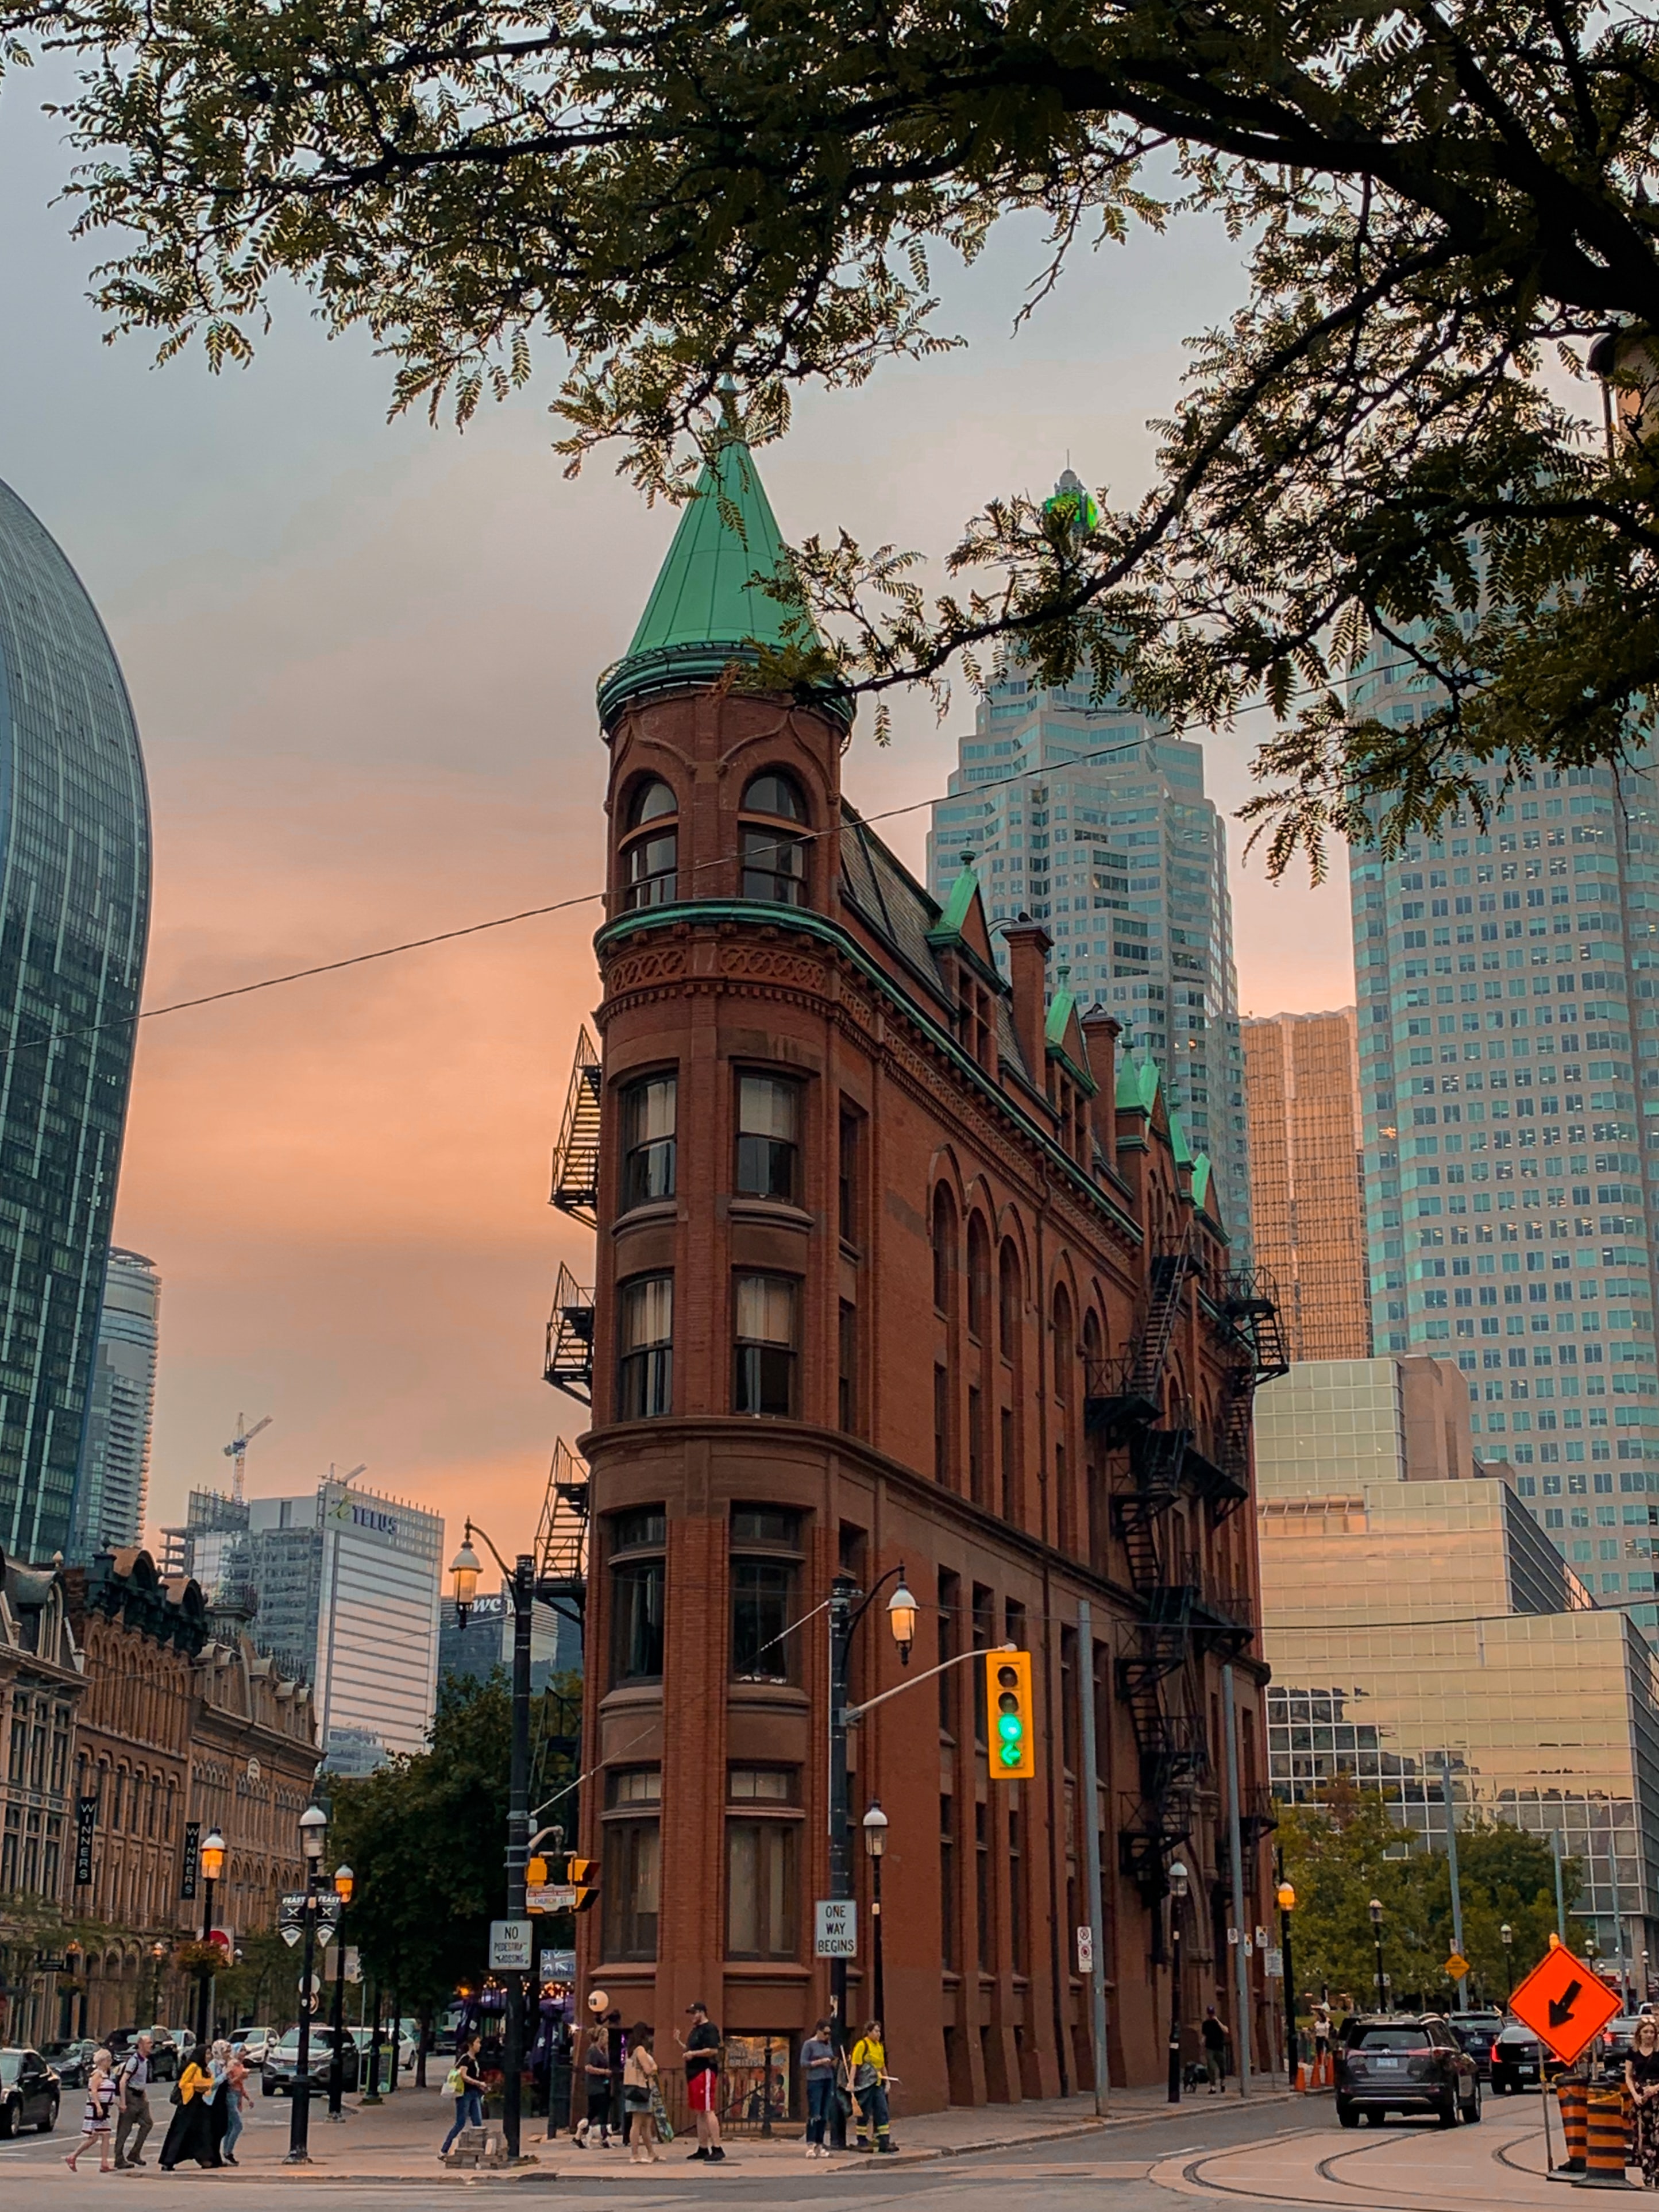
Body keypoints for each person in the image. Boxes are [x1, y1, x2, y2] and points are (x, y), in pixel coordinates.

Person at [676, 2001, 724, 2163]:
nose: (692, 2017)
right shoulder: (695, 2031)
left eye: (694, 2013)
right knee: (700, 2111)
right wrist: (681, 2044)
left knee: (708, 2109)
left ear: (702, 2013)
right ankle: (703, 2147)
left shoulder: (709, 2029)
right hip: (693, 2073)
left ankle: (717, 2147)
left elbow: (712, 2050)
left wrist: (693, 2055)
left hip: (705, 2071)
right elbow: (690, 2050)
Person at [157, 2051, 218, 2171]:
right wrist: (196, 2087)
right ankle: (169, 2161)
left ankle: (205, 2159)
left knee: (203, 2132)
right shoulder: (193, 2067)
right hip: (189, 2104)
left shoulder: (206, 2070)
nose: (209, 2056)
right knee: (181, 2132)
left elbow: (210, 2084)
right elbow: (183, 2083)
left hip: (201, 2104)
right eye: (207, 2054)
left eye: (210, 2054)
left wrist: (207, 2081)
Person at [64, 2048, 118, 2173]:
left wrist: (115, 2103)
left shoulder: (105, 2074)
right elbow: (94, 2091)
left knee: (102, 2135)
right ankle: (73, 2157)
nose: (110, 2062)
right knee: (97, 2136)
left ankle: (102, 2163)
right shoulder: (97, 2075)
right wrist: (98, 2106)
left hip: (104, 2109)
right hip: (97, 2110)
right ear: (103, 2061)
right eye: (108, 2060)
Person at [849, 2020, 894, 2153]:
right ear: (869, 2032)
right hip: (865, 2086)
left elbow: (882, 2066)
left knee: (883, 2112)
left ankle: (884, 2141)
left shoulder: (879, 2046)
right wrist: (851, 2082)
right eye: (876, 2031)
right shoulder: (862, 2045)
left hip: (877, 2085)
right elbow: (855, 2064)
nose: (878, 2034)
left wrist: (887, 2082)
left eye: (879, 2031)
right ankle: (862, 2141)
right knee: (864, 2113)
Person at [113, 2033, 155, 2171]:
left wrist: (145, 2097)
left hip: (140, 2096)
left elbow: (141, 2082)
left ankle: (135, 2153)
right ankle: (118, 2159)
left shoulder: (145, 2061)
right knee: (125, 2128)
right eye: (148, 2043)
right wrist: (123, 2102)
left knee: (148, 2123)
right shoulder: (134, 2061)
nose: (151, 2046)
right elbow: (124, 2081)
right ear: (141, 2045)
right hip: (131, 2096)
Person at [439, 2037, 486, 2157]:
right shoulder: (466, 2059)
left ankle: (479, 2151)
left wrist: (481, 2086)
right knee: (460, 2122)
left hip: (474, 2094)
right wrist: (478, 2083)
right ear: (471, 2045)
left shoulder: (475, 2060)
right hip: (464, 2094)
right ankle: (444, 2150)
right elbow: (464, 2076)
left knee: (478, 2123)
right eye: (477, 2042)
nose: (480, 2045)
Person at [623, 2024, 661, 2164]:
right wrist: (654, 2068)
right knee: (638, 2123)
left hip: (636, 2088)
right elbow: (647, 2069)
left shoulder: (632, 2050)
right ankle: (635, 2154)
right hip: (641, 2089)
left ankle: (651, 2152)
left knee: (645, 2123)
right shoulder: (640, 2050)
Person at [1629, 2017, 1659, 2186]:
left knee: (1658, 2136)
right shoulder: (1633, 2052)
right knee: (1644, 2137)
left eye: (1652, 2032)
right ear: (1639, 2033)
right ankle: (1647, 2171)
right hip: (1642, 2100)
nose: (1649, 2035)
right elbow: (1628, 2076)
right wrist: (1635, 2094)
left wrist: (1655, 2089)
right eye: (1646, 2031)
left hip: (1657, 2096)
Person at [801, 2018, 835, 2159]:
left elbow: (831, 2057)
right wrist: (820, 2062)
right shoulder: (809, 2044)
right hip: (815, 2081)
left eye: (829, 2034)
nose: (827, 2036)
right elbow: (803, 2063)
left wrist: (832, 2062)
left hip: (828, 2079)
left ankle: (820, 2145)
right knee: (815, 2113)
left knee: (824, 2113)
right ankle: (811, 2145)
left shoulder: (828, 2044)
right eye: (825, 2033)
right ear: (819, 2031)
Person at [574, 2024, 614, 2148]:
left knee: (592, 2113)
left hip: (602, 2085)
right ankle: (604, 2137)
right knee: (602, 2112)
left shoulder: (602, 2051)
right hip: (596, 2087)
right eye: (606, 2037)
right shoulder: (592, 2050)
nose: (608, 2040)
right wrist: (603, 2072)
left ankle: (578, 2135)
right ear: (601, 2037)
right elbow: (588, 2067)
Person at [221, 2042, 250, 2167]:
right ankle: (228, 2152)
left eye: (245, 2051)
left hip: (237, 2096)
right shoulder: (231, 2065)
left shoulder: (240, 2065)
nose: (244, 2053)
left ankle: (227, 2152)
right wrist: (240, 2077)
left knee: (230, 2126)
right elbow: (229, 2083)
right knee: (238, 2125)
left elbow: (241, 2085)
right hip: (231, 2096)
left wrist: (248, 2097)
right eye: (241, 2050)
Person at [1202, 2006, 1230, 2094]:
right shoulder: (1206, 2023)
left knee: (1222, 2067)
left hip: (1219, 2048)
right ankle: (1213, 2087)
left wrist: (1217, 2021)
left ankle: (1222, 2082)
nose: (1211, 2015)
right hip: (1210, 2048)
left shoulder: (1219, 2022)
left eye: (1212, 2013)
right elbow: (1204, 2035)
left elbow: (1226, 2031)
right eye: (1210, 2013)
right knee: (1211, 2067)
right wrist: (1202, 2045)